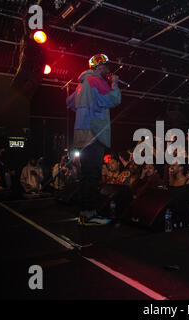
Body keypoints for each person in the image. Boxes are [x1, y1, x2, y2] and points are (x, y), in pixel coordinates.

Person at [66, 53, 121, 226]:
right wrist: (115, 84)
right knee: (92, 175)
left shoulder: (81, 83)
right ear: (98, 67)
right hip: (93, 133)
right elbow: (114, 99)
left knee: (86, 175)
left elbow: (70, 103)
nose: (108, 70)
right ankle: (89, 214)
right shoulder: (96, 80)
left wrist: (88, 109)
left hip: (81, 133)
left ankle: (85, 212)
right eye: (106, 66)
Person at [167, 162, 189, 226]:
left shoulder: (188, 182)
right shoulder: (172, 181)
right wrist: (170, 176)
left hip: (184, 220)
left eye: (174, 165)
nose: (171, 167)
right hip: (173, 218)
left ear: (181, 168)